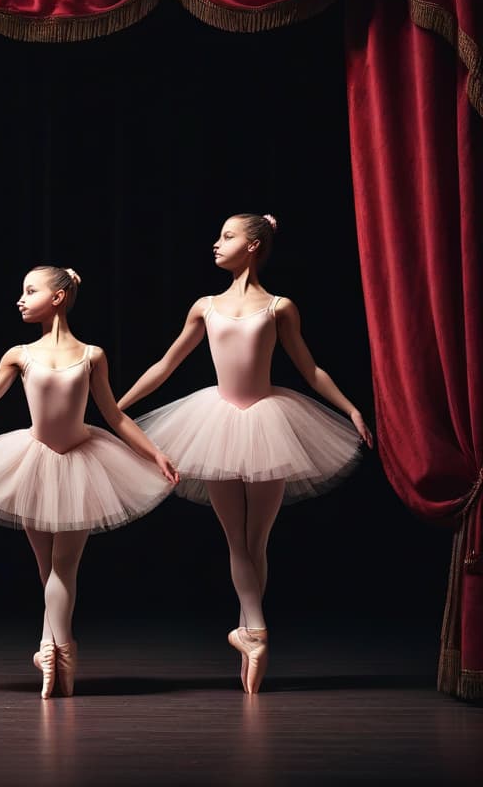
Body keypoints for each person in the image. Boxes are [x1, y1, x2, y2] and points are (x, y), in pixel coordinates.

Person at [118, 214, 373, 694]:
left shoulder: (279, 307)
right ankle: (254, 632)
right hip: (214, 423)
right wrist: (118, 408)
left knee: (255, 541)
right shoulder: (206, 307)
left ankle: (252, 635)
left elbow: (311, 368)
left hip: (269, 423)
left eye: (228, 236)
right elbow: (166, 364)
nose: (216, 244)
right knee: (239, 539)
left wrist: (351, 408)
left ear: (254, 245)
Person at [0, 266, 178, 698]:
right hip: (34, 463)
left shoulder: (92, 355)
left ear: (58, 298)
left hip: (83, 463)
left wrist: (154, 452)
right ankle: (56, 649)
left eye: (30, 291)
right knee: (49, 570)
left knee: (65, 566)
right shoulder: (19, 354)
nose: (20, 300)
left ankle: (55, 649)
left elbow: (113, 415)